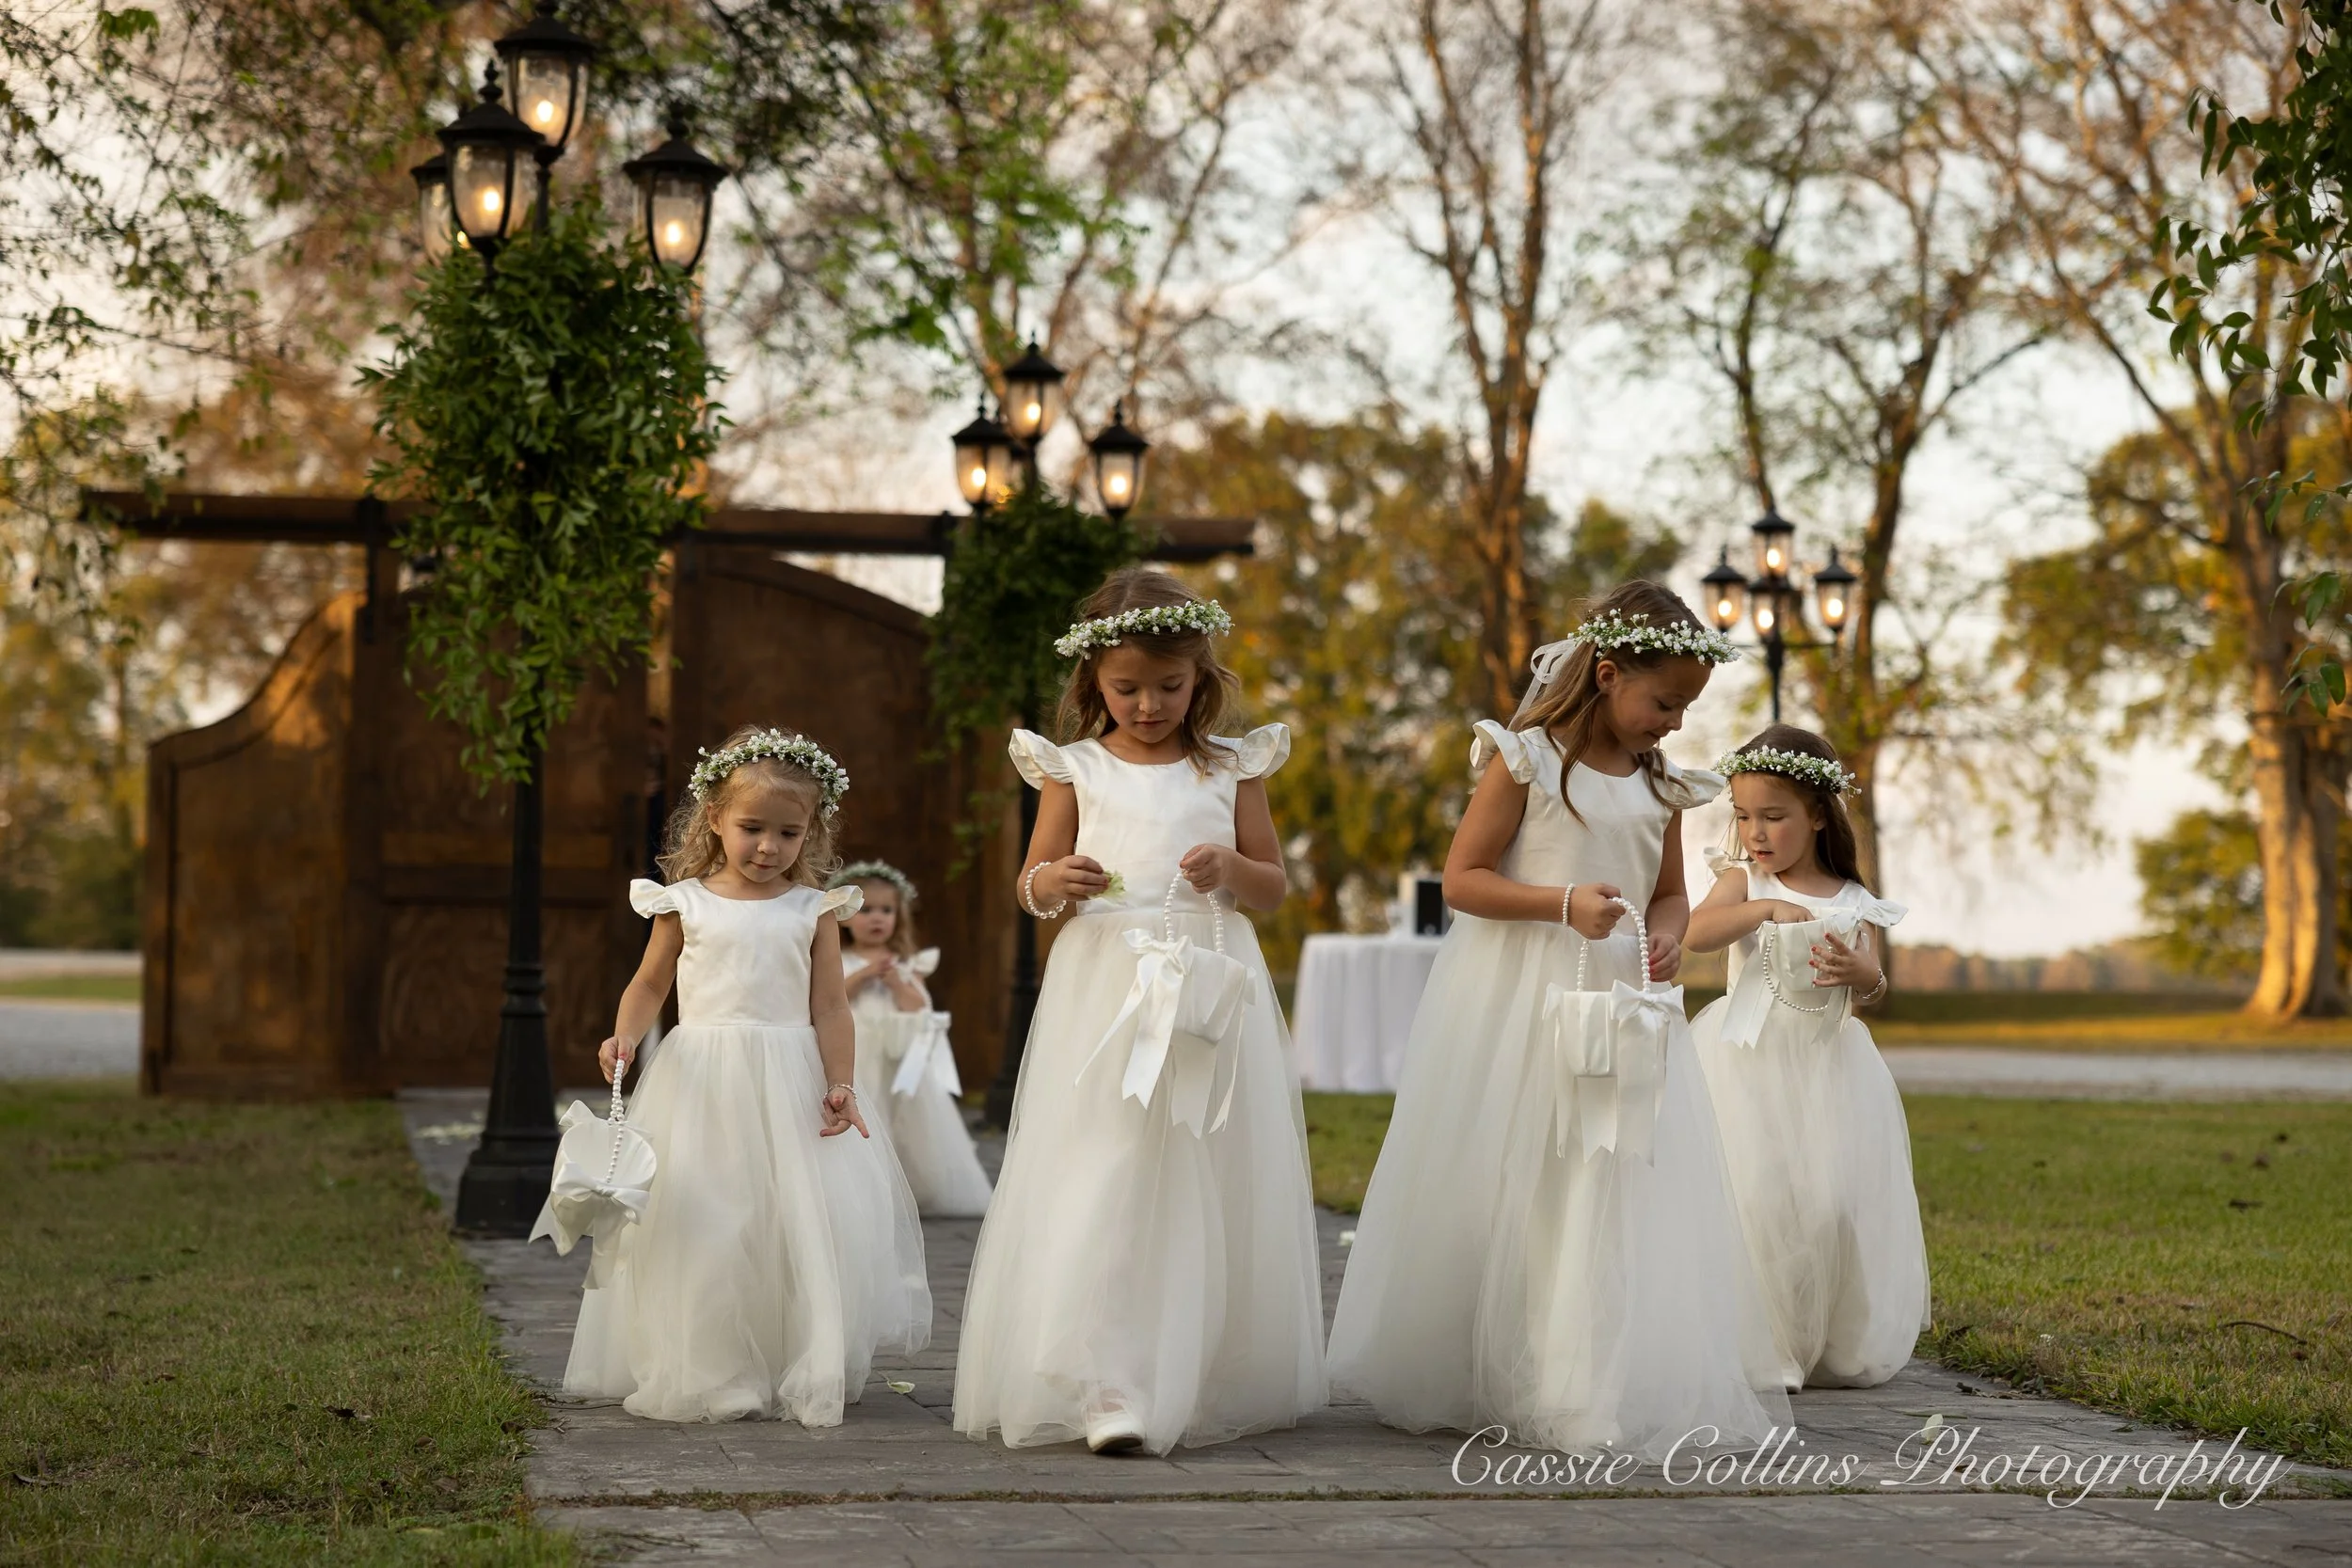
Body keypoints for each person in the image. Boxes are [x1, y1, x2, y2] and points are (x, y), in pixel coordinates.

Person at [1327, 580, 1791, 1460]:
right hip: (1518, 998)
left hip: (1617, 1003)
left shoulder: (1662, 785)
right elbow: (1464, 878)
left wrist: (1667, 942)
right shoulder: (1530, 760)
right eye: (1665, 702)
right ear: (1609, 674)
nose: (1676, 724)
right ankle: (1486, 1362)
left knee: (1601, 1179)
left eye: (1688, 707)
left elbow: (1668, 897)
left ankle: (1579, 1379)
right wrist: (1560, 901)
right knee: (1514, 1176)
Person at [951, 568, 1326, 1456]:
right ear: (1093, 683)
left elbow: (1272, 884)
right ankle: (1103, 1376)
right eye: (1127, 688)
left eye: (1169, 685)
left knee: (1203, 1159)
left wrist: (1231, 872)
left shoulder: (1233, 766)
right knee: (1110, 1159)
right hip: (1107, 985)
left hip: (1205, 973)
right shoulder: (1073, 768)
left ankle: (1192, 1359)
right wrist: (1057, 882)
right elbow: (1032, 881)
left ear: (1201, 679)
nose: (1149, 704)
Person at [559, 725, 930, 1424]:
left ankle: (787, 1355)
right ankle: (711, 1365)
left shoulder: (813, 909)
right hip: (702, 1080)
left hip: (788, 1080)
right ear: (715, 821)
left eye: (787, 833)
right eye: (752, 827)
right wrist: (625, 1036)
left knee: (786, 1223)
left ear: (810, 832)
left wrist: (841, 1083)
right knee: (707, 1220)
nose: (768, 847)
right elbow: (647, 983)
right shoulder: (684, 902)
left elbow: (830, 1004)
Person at [1684, 724, 1931, 1390]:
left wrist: (1861, 971)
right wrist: (1762, 907)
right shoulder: (1742, 879)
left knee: (1824, 1204)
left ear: (1818, 814)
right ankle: (1762, 1348)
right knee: (1756, 1197)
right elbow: (1695, 932)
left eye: (1773, 816)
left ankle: (1820, 1337)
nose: (1755, 831)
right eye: (1742, 815)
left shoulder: (1854, 898)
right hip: (1744, 1065)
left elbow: (1873, 989)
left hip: (1829, 1071)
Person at [831, 859, 993, 1217]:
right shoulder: (838, 958)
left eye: (886, 910)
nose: (877, 918)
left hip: (899, 1056)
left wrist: (895, 981)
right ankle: (863, 1187)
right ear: (843, 917)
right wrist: (863, 976)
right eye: (866, 910)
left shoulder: (906, 961)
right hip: (859, 1052)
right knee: (870, 1114)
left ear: (898, 916)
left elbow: (919, 1007)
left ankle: (910, 1185)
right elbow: (832, 999)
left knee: (907, 1122)